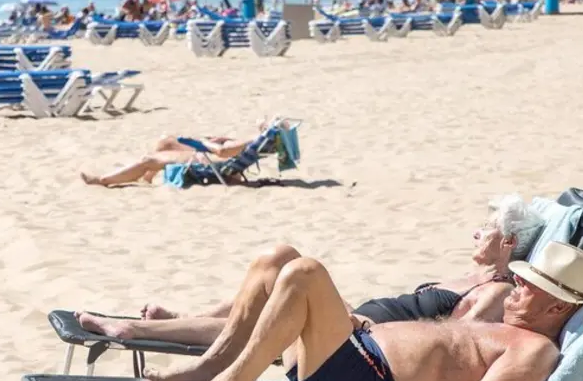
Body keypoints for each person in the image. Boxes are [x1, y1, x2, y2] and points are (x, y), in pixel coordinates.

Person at [148, 241, 583, 381]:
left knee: (305, 273)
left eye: (527, 285)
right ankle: (214, 367)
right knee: (277, 260)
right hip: (352, 354)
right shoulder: (503, 324)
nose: (516, 287)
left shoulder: (534, 350)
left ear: (557, 305)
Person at [78, 194, 547, 349]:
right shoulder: (475, 277)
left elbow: (452, 341)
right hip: (360, 322)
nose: (474, 234)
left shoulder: (500, 292)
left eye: (485, 229)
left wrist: (367, 329)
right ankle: (174, 321)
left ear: (508, 242)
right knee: (276, 262)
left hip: (365, 340)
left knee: (284, 277)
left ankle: (138, 328)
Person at [79, 124, 273, 187]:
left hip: (208, 161)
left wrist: (201, 142)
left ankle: (104, 180)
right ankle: (147, 177)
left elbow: (222, 152)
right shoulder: (254, 142)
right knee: (167, 141)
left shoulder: (251, 140)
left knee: (148, 159)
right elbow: (227, 149)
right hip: (212, 157)